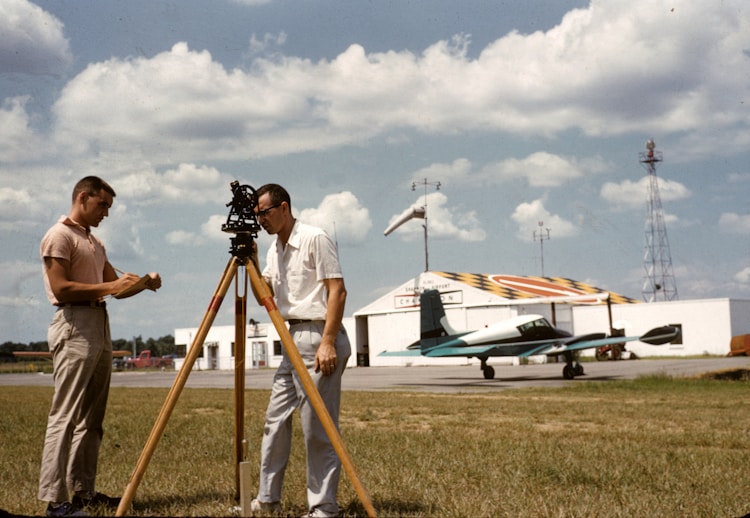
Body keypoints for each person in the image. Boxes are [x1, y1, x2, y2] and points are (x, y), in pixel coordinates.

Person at [38, 176, 161, 517]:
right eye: (102, 205)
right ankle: (55, 500)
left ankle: (83, 492)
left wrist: (144, 284)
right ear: (82, 197)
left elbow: (115, 290)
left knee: (93, 417)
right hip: (74, 323)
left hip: (99, 323)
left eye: (109, 207)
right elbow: (61, 288)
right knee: (64, 415)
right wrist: (111, 284)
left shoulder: (94, 241)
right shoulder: (59, 236)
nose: (106, 212)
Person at [249, 183, 351, 518]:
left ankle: (323, 508)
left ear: (283, 207)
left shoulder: (314, 237)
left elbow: (337, 290)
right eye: (256, 215)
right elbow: (265, 294)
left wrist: (327, 341)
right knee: (274, 419)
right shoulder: (272, 248)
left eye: (264, 212)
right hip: (291, 334)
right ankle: (267, 498)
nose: (260, 219)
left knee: (316, 427)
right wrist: (249, 261)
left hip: (319, 334)